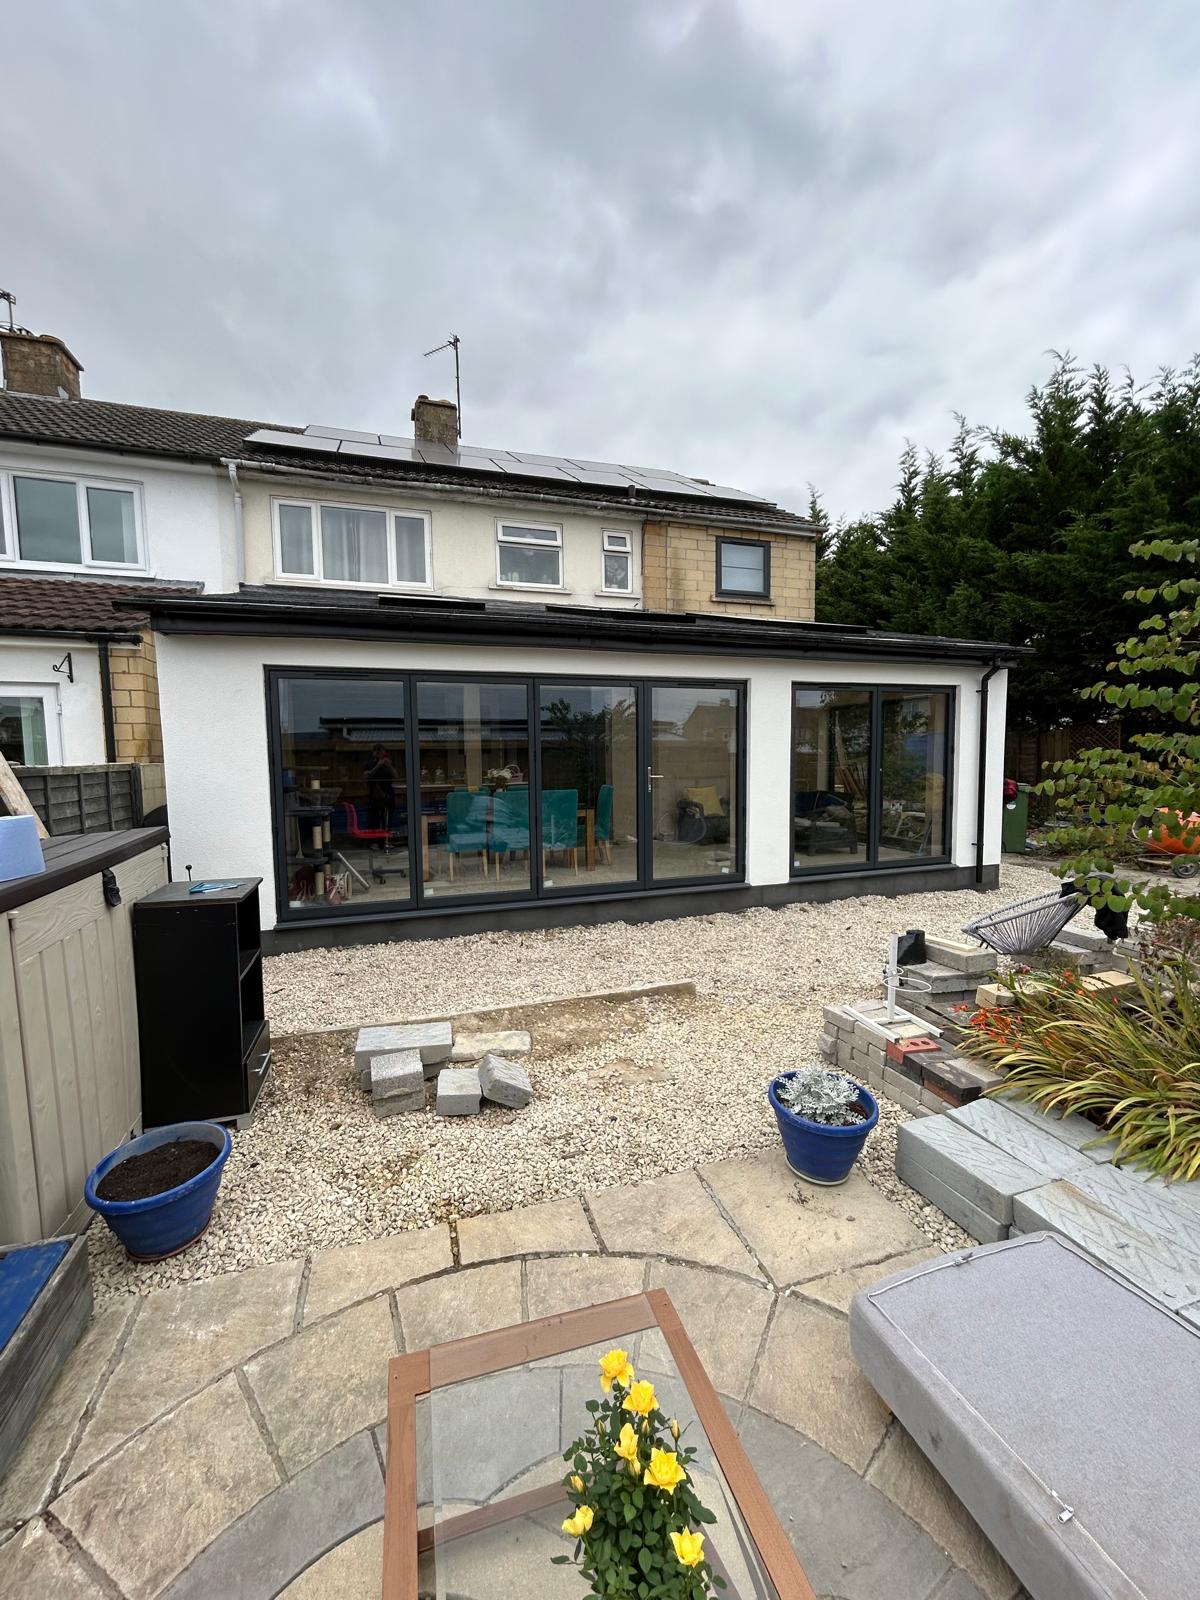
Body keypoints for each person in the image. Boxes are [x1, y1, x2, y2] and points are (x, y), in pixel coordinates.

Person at [363, 744, 397, 833]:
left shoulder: (388, 763)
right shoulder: (370, 763)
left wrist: (389, 766)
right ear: (374, 753)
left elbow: (396, 776)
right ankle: (375, 841)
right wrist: (377, 766)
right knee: (374, 819)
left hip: (388, 795)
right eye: (378, 751)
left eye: (382, 752)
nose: (381, 754)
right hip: (375, 796)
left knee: (387, 819)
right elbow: (366, 776)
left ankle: (386, 840)